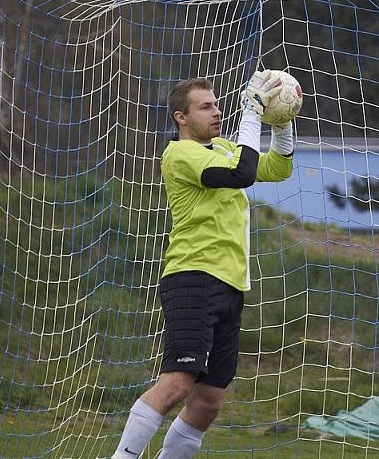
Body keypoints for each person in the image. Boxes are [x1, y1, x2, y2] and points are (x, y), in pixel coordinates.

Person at [112, 71, 295, 458]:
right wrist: (253, 113)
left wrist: (282, 123)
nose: (216, 113)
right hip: (193, 277)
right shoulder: (181, 154)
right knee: (178, 383)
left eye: (217, 105)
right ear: (181, 117)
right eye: (205, 107)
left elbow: (277, 168)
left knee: (209, 400)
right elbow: (243, 174)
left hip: (230, 285)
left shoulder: (224, 148)